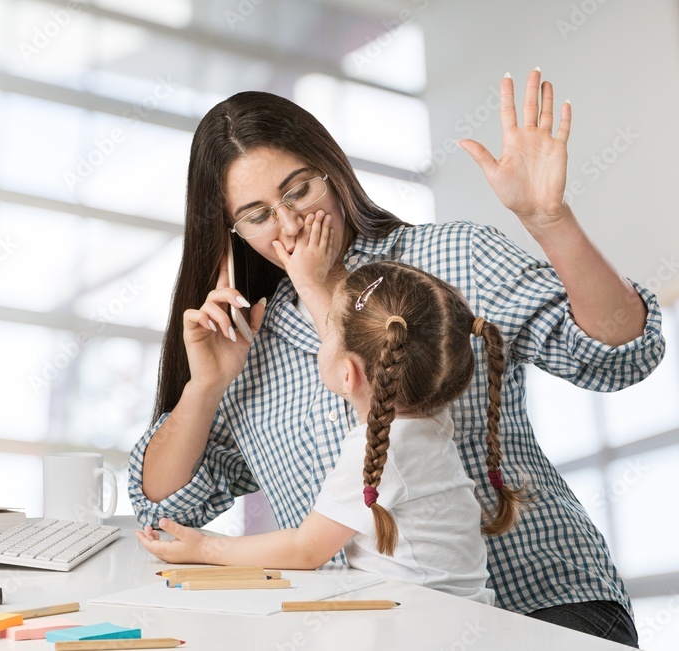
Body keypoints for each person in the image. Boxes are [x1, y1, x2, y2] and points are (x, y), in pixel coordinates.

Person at [128, 71, 664, 647]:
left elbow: (620, 355)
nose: (287, 226)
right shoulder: (245, 341)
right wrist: (205, 387)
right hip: (376, 635)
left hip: (538, 607)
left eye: (299, 190)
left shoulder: (449, 256)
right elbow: (161, 507)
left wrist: (548, 221)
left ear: (331, 170)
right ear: (232, 231)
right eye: (257, 216)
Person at [137, 260, 527, 606]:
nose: (321, 336)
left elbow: (306, 549)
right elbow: (373, 349)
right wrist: (309, 281)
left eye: (327, 331)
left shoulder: (381, 451)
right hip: (452, 619)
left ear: (347, 375)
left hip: (422, 631)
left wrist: (205, 548)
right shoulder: (428, 416)